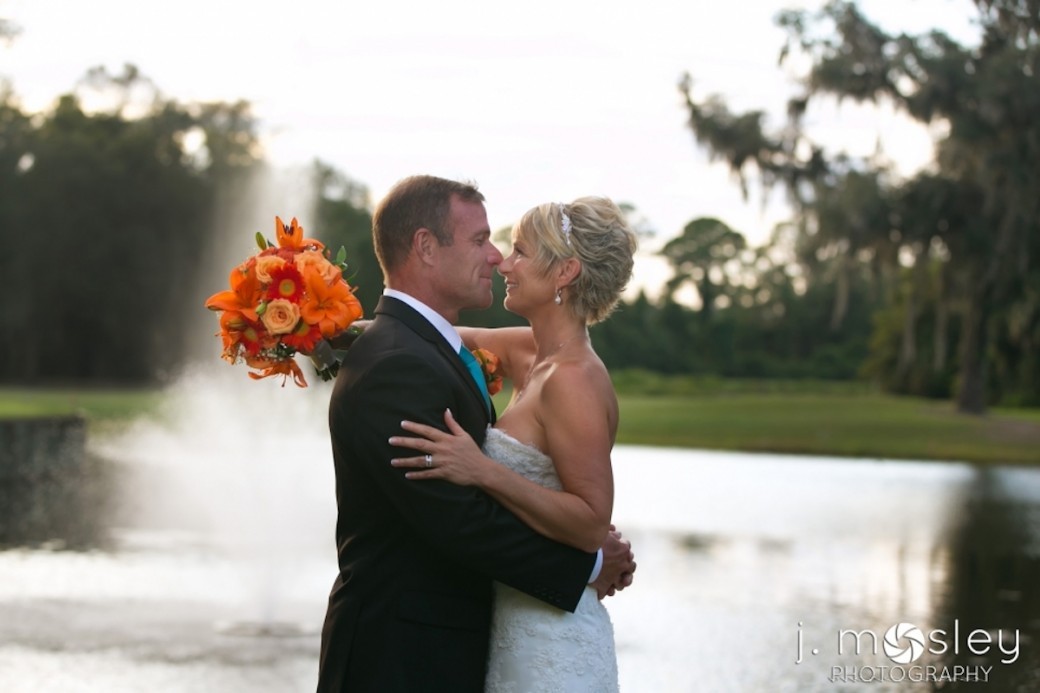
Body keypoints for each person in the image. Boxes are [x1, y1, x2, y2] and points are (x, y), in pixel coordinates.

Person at [316, 176, 635, 693]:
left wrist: (484, 470)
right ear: (425, 246)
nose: (500, 261)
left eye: (518, 251)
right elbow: (417, 334)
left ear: (565, 271)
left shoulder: (573, 378)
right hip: (445, 642)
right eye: (485, 242)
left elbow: (588, 519)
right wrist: (302, 322)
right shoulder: (518, 350)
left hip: (542, 639)